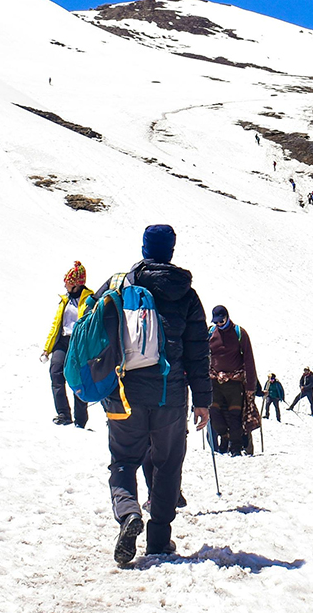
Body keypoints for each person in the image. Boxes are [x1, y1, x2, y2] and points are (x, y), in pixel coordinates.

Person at [96, 224, 212, 565]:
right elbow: (198, 352)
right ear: (171, 251)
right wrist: (203, 401)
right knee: (167, 464)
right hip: (170, 396)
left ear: (144, 248)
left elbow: (91, 328)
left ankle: (128, 512)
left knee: (123, 460)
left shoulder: (120, 285)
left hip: (125, 394)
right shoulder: (187, 293)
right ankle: (159, 538)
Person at [42, 261, 93, 428]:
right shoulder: (65, 300)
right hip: (63, 341)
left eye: (68, 282)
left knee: (77, 377)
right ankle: (63, 413)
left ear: (77, 284)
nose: (65, 285)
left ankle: (80, 419)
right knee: (56, 372)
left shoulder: (90, 300)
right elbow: (56, 325)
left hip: (78, 343)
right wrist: (47, 348)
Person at [207, 305, 259, 456]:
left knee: (235, 415)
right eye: (216, 322)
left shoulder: (239, 333)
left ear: (227, 317)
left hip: (235, 383)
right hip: (215, 381)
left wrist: (251, 386)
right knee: (214, 412)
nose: (219, 324)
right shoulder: (210, 333)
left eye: (221, 321)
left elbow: (249, 360)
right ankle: (224, 436)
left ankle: (236, 446)